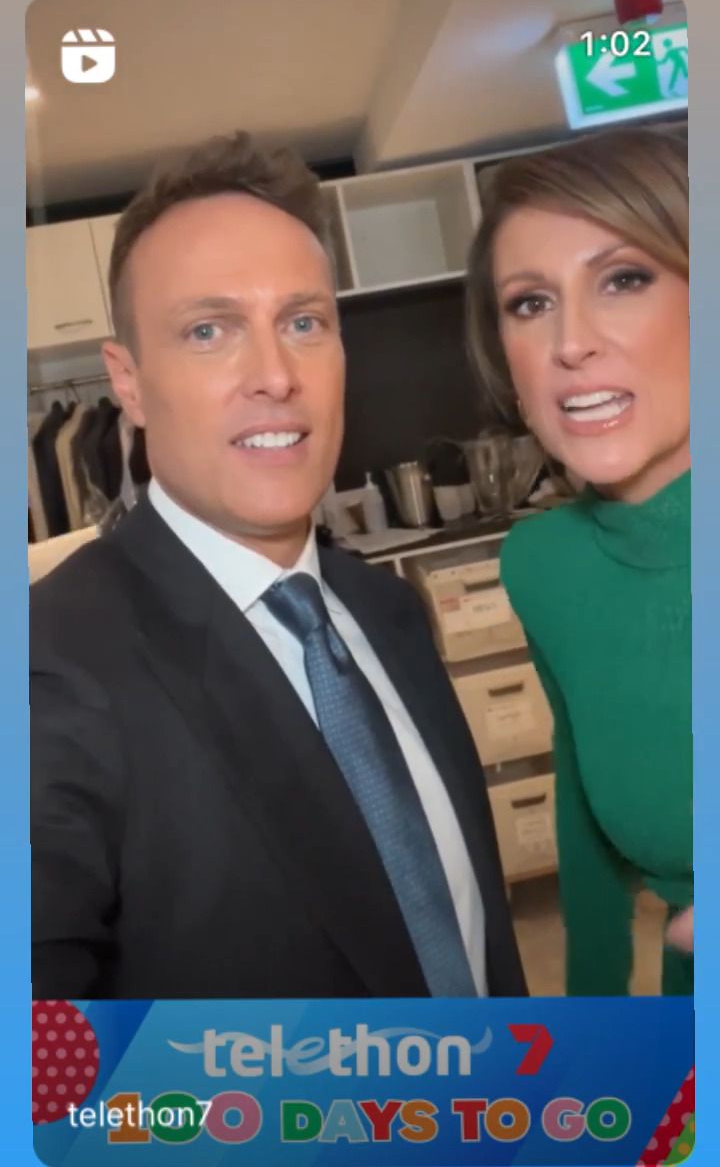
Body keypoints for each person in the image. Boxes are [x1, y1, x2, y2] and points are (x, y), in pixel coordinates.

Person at [31, 131, 526, 1000]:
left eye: (303, 323)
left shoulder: (387, 612)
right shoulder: (48, 664)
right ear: (129, 382)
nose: (275, 374)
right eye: (209, 330)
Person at [465, 125, 692, 996]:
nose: (571, 342)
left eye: (623, 279)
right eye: (530, 303)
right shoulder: (544, 565)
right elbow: (583, 809)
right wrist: (593, 1027)